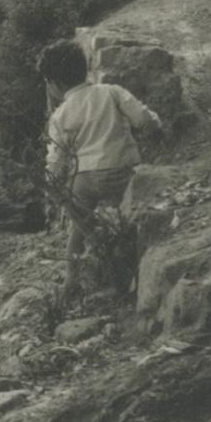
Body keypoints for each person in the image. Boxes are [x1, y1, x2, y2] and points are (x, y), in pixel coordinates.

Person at [38, 40, 162, 300]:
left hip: (85, 179)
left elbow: (56, 161)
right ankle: (135, 268)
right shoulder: (110, 92)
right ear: (84, 69)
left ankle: (72, 278)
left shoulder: (59, 116)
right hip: (121, 171)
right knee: (129, 216)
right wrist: (156, 123)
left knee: (78, 225)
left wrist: (54, 187)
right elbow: (141, 118)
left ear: (54, 84)